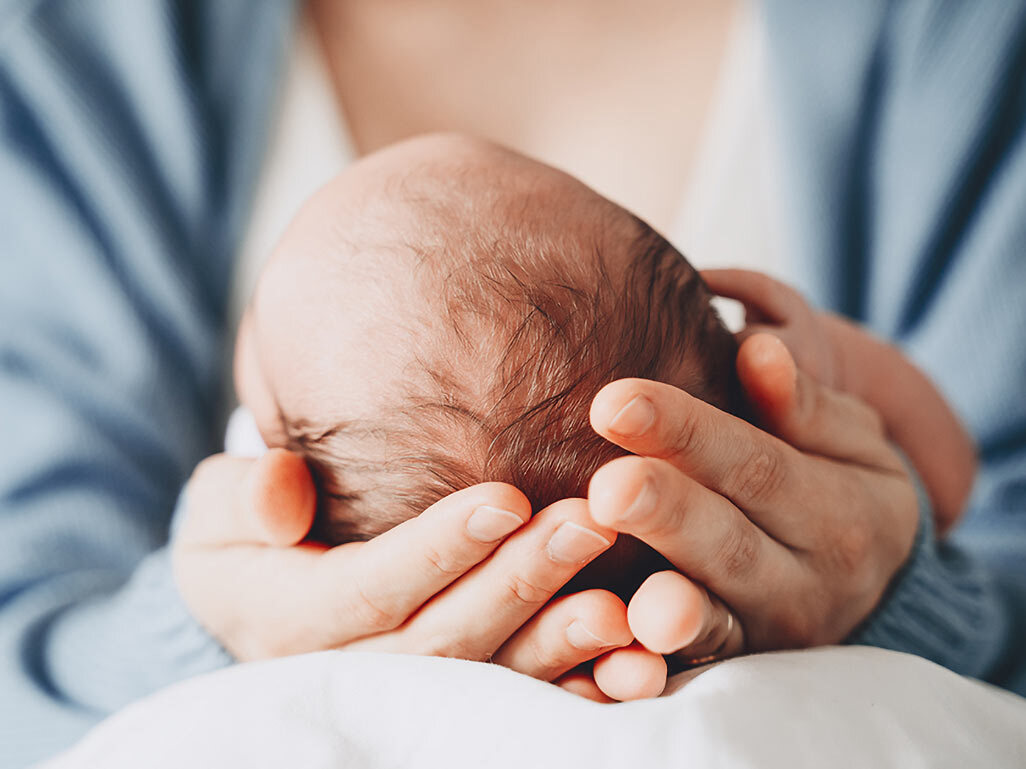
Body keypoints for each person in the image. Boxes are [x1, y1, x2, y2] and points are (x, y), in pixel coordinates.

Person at [3, 1, 1026, 765]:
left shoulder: (262, 492)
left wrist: (208, 636)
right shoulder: (63, 48)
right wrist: (896, 584)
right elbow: (952, 473)